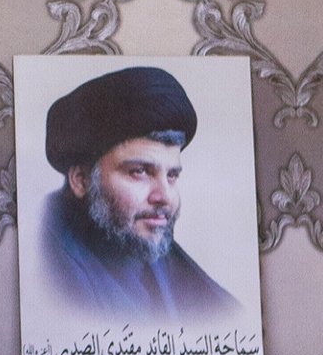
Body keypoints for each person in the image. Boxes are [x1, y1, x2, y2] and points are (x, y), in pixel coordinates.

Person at [38, 65, 237, 323]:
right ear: (81, 180)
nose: (165, 196)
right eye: (140, 172)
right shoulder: (49, 273)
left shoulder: (208, 298)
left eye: (172, 176)